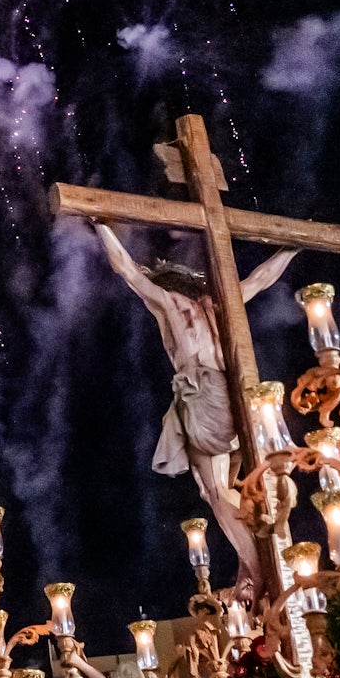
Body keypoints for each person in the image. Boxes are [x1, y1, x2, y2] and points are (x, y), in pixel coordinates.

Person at [93, 220, 298, 594]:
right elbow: (262, 278)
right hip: (235, 392)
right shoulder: (218, 302)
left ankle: (262, 572)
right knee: (231, 487)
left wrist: (101, 226)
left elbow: (124, 267)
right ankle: (250, 558)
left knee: (217, 492)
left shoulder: (169, 303)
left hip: (203, 393)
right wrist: (291, 248)